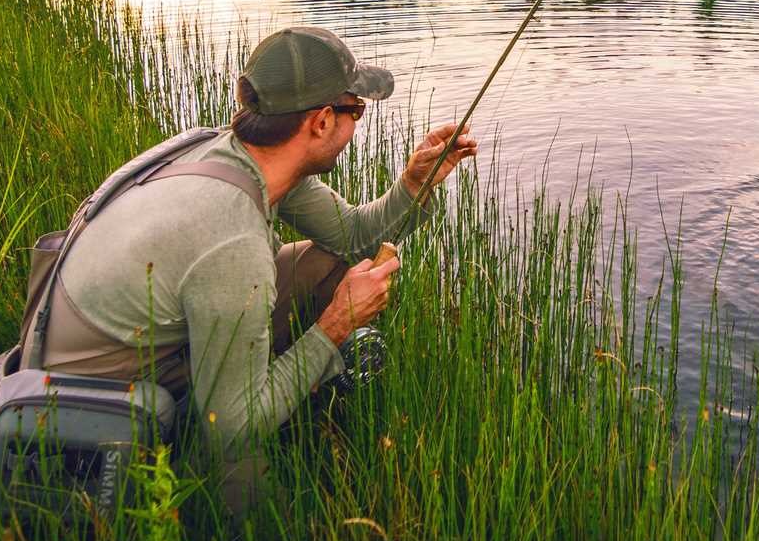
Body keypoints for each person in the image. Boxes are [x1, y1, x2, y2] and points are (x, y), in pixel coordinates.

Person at [23, 26, 476, 508]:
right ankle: (220, 518)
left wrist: (414, 184)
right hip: (104, 390)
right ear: (321, 121)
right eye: (356, 111)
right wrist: (337, 324)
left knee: (327, 262)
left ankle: (279, 381)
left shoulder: (242, 155)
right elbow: (232, 427)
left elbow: (351, 237)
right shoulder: (232, 237)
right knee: (253, 483)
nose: (356, 124)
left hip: (131, 333)